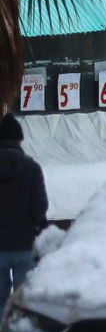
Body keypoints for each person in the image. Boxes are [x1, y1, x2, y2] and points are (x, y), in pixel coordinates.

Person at [0, 113, 47, 305]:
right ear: (19, 140)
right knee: (24, 302)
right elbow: (40, 206)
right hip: (24, 245)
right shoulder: (32, 168)